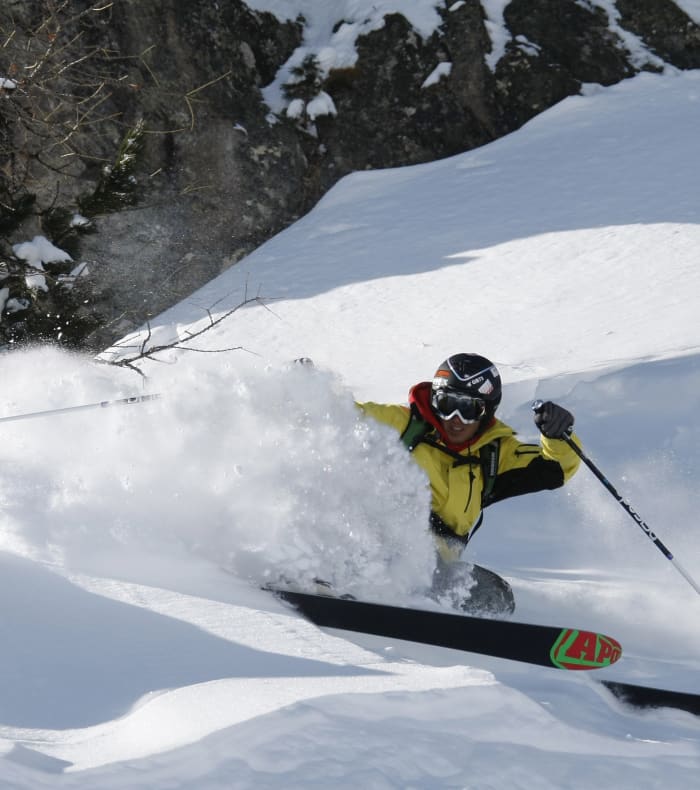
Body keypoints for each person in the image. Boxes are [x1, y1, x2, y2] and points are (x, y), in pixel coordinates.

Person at [356, 353, 581, 615]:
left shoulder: (494, 455)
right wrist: (307, 392)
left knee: (497, 596)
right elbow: (340, 418)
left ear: (487, 412)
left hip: (434, 573)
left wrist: (557, 437)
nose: (455, 418)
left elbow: (555, 469)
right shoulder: (402, 426)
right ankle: (332, 575)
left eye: (469, 409)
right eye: (447, 403)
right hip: (375, 543)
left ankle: (434, 619)